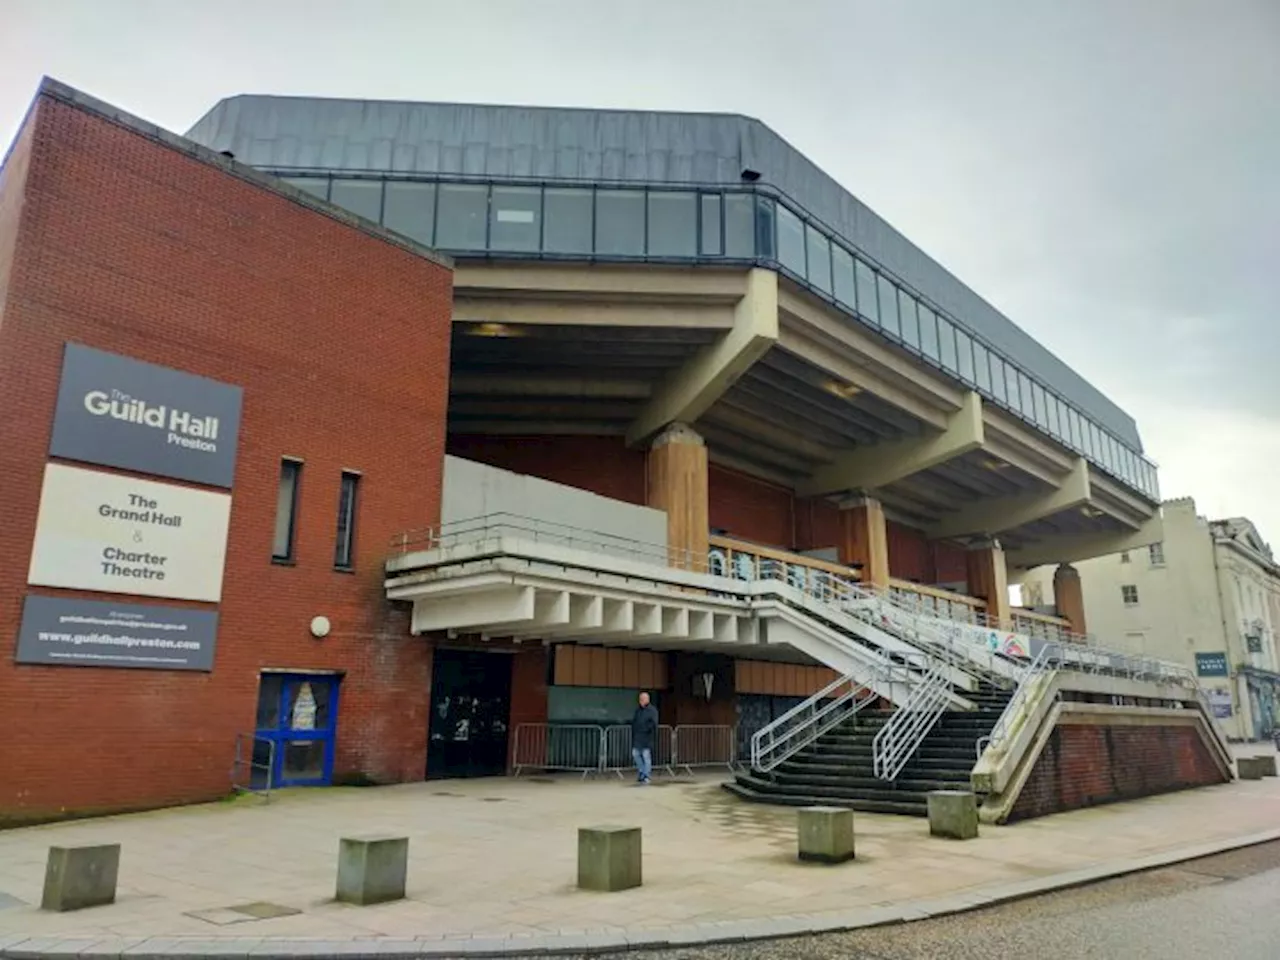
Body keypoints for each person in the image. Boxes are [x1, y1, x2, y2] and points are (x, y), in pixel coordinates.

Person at [630, 691, 659, 784]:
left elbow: (654, 723)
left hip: (647, 737)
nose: (641, 700)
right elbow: (634, 721)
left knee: (646, 756)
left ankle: (646, 775)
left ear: (647, 699)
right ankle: (642, 772)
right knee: (636, 754)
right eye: (640, 699)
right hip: (638, 737)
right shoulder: (637, 710)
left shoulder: (652, 710)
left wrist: (647, 730)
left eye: (643, 699)